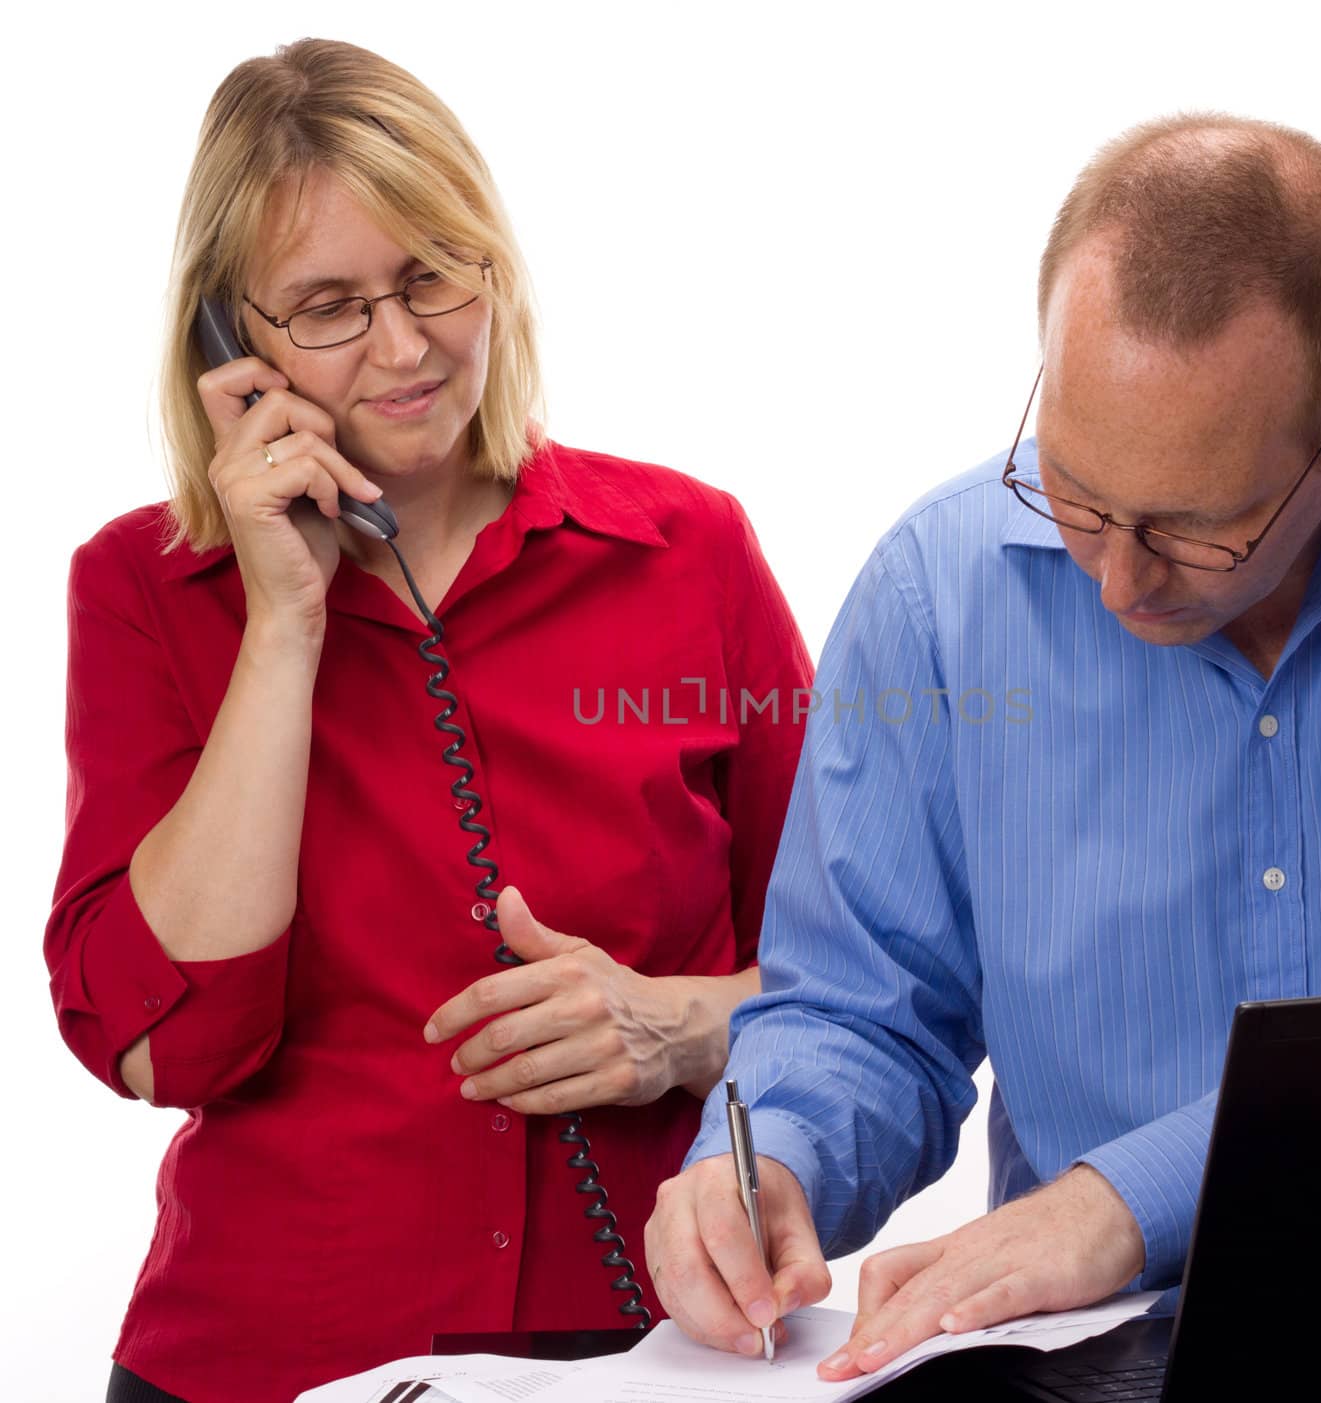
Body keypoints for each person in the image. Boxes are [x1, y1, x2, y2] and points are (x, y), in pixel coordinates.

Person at [644, 112, 1321, 1378]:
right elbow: (864, 1011)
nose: (1112, 583)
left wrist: (1121, 1201)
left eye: (1198, 528)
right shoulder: (937, 590)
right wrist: (767, 1156)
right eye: (1077, 492)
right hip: (1092, 1373)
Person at [43, 39, 810, 1403]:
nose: (401, 348)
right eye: (327, 306)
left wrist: (675, 1026)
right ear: (234, 342)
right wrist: (285, 624)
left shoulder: (689, 550)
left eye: (429, 277)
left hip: (643, 1348)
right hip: (272, 1358)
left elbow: (866, 974)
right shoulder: (143, 594)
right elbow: (166, 1044)